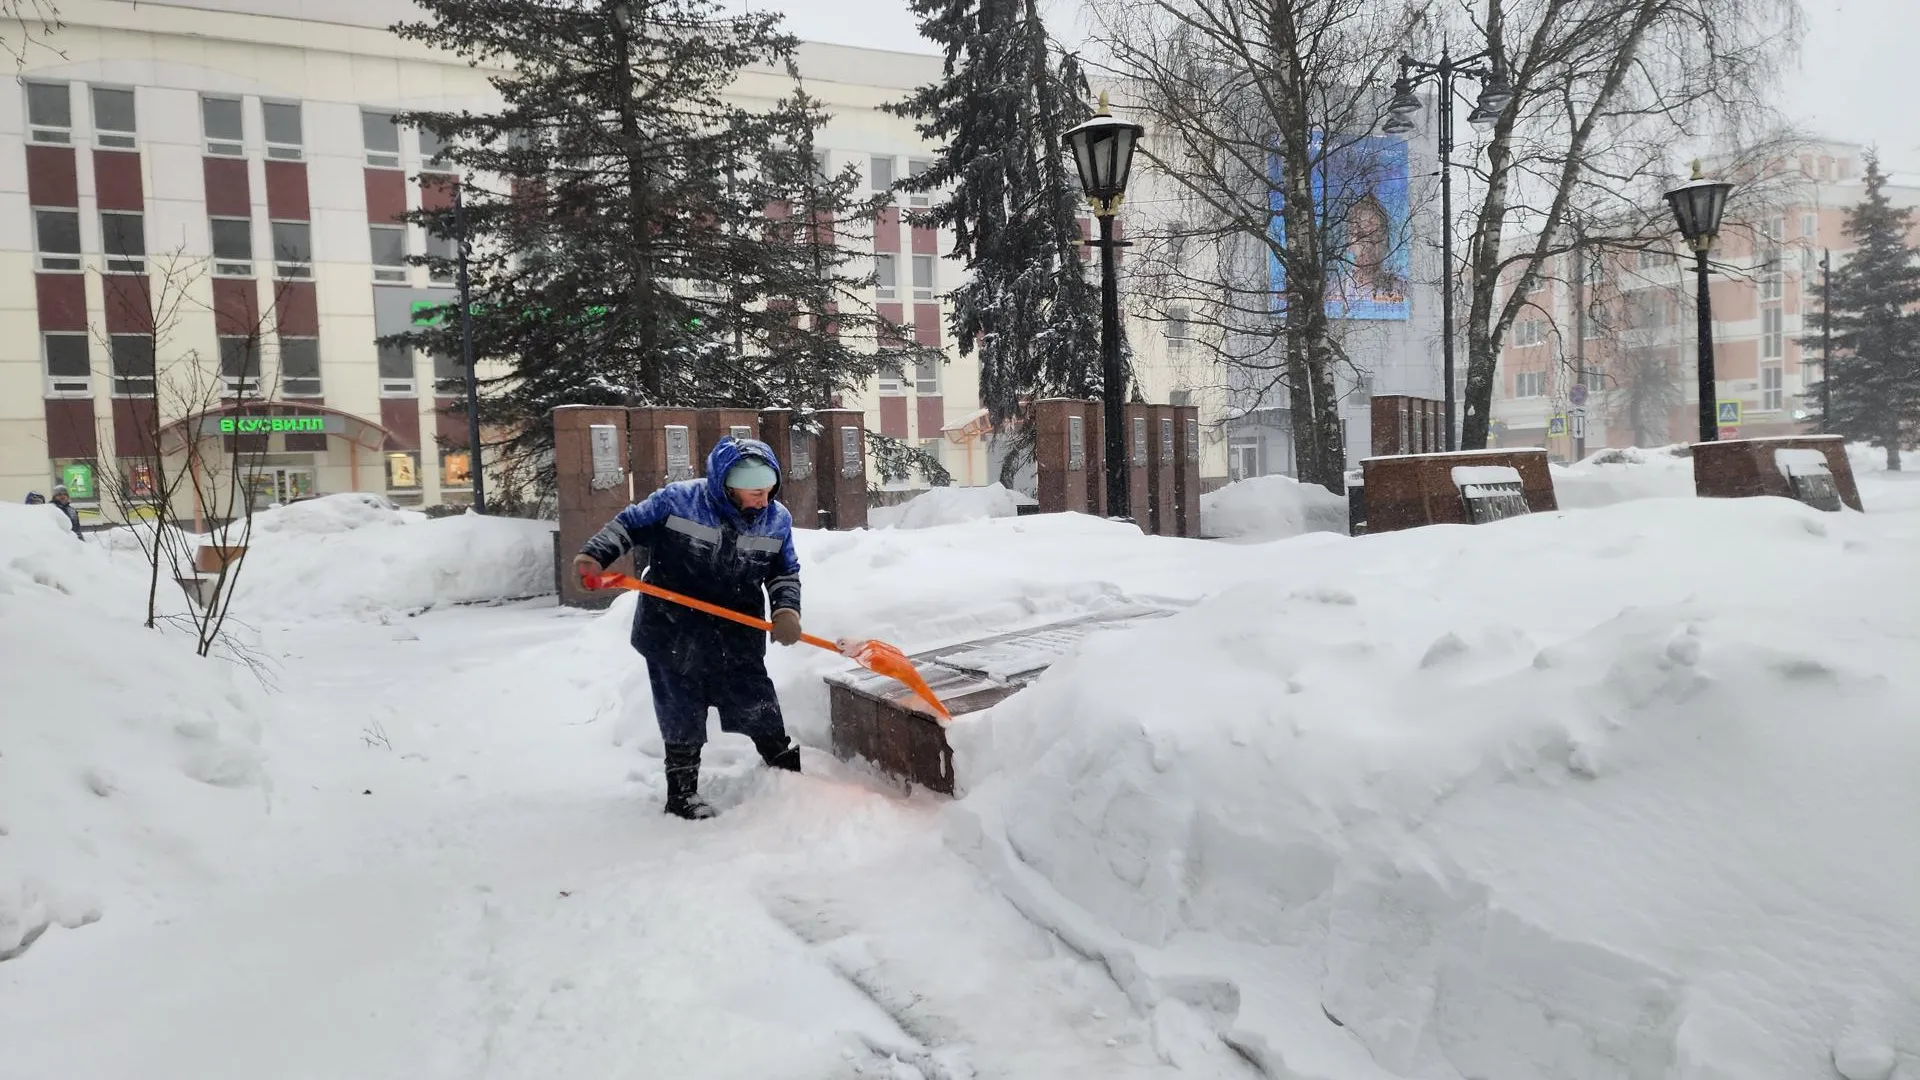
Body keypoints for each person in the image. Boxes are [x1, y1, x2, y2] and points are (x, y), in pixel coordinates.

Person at [573, 436, 804, 820]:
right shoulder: (678, 501)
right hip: (673, 626)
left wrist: (787, 612)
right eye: (755, 493)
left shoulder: (777, 519)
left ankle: (782, 766)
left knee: (755, 697)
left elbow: (784, 573)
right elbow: (628, 526)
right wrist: (595, 555)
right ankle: (681, 794)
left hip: (736, 628)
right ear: (726, 486)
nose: (763, 501)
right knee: (681, 708)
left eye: (769, 491)